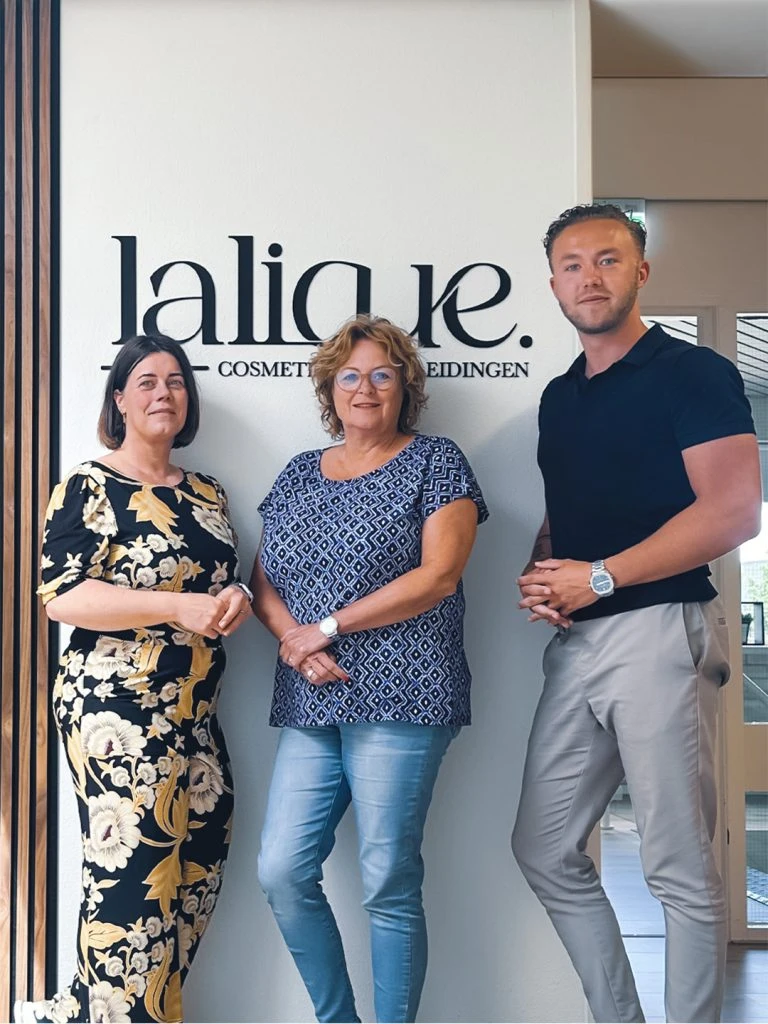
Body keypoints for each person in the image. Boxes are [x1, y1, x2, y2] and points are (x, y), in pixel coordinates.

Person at [511, 204, 761, 1024]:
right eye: (573, 264)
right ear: (555, 285)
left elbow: (733, 511)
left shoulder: (693, 374)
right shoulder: (560, 397)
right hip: (578, 639)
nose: (590, 277)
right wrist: (546, 571)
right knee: (543, 847)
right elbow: (574, 515)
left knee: (678, 869)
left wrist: (602, 577)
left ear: (641, 271)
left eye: (609, 259)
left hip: (659, 629)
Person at [250, 314, 488, 1023]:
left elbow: (439, 576)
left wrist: (326, 628)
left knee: (387, 879)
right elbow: (263, 580)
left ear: (405, 387)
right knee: (282, 871)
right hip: (312, 697)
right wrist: (296, 641)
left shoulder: (435, 461)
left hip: (405, 693)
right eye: (349, 375)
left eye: (382, 374)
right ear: (329, 388)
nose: (365, 388)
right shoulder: (299, 472)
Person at [18, 335, 252, 1024]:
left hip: (196, 709)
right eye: (146, 381)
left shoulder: (207, 492)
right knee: (133, 885)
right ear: (119, 399)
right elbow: (62, 597)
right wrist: (175, 606)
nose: (163, 393)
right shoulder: (89, 486)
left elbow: (220, 581)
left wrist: (234, 598)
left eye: (175, 381)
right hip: (116, 710)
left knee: (198, 869)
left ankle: (82, 1012)